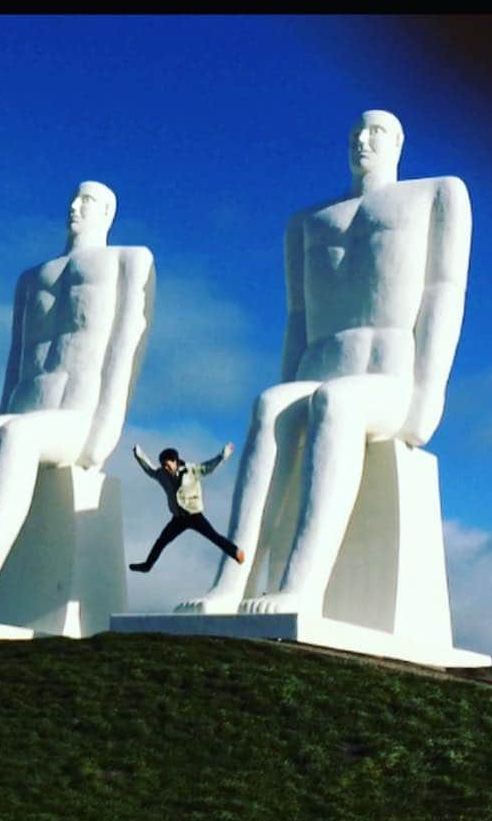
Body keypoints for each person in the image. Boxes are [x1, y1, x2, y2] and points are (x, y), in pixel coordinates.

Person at [178, 110, 472, 617]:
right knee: (269, 405)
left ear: (399, 141)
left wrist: (429, 393)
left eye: (376, 131)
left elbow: (444, 293)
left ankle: (301, 584)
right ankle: (233, 577)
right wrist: (288, 379)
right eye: (356, 132)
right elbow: (297, 317)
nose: (363, 140)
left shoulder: (437, 193)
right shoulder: (308, 221)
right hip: (317, 367)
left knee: (337, 403)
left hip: (388, 376)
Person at [0, 181, 155, 628]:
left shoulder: (128, 261)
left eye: (88, 201)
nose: (75, 207)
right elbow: (16, 359)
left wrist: (105, 430)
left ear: (108, 212)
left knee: (18, 436)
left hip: (75, 414)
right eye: (74, 199)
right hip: (25, 405)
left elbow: (126, 345)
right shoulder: (31, 278)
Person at [129, 443, 244, 572]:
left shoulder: (191, 470)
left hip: (194, 515)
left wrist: (223, 455)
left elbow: (209, 467)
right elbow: (149, 470)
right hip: (178, 518)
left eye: (167, 464)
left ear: (175, 461)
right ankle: (147, 566)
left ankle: (236, 552)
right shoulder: (162, 474)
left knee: (213, 536)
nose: (165, 468)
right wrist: (138, 455)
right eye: (163, 465)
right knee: (161, 541)